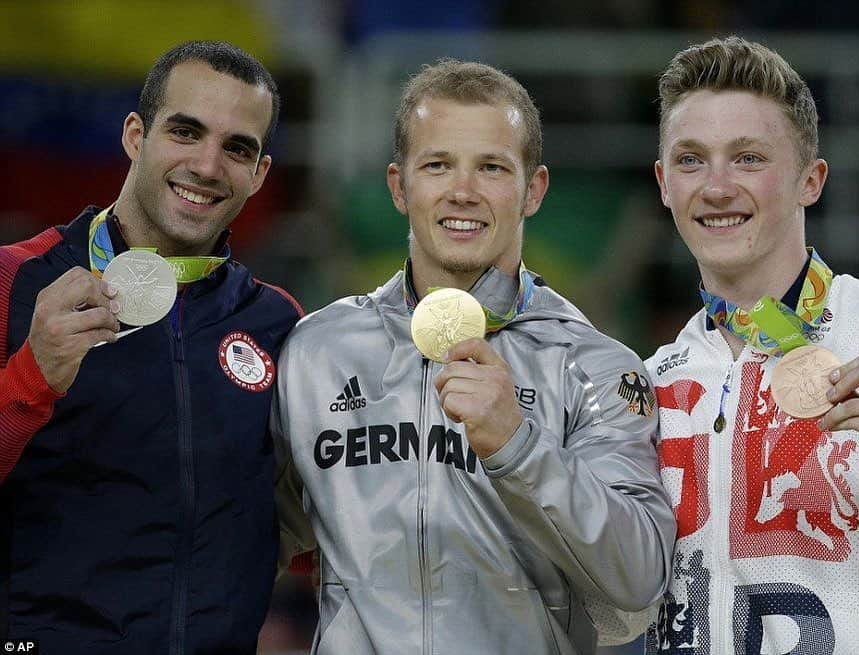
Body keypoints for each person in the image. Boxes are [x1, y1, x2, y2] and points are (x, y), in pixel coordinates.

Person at [272, 59, 676, 655]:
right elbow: (249, 538)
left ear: (532, 189)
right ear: (398, 185)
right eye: (438, 165)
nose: (463, 191)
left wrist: (518, 445)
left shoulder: (593, 364)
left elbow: (639, 580)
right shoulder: (317, 351)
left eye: (491, 167)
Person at [645, 36, 859, 654]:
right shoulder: (653, 379)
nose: (715, 186)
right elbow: (612, 613)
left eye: (748, 158)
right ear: (662, 183)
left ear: (809, 181)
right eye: (690, 160)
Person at [0, 41, 302, 654]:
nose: (208, 166)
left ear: (259, 174)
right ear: (136, 135)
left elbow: (298, 520)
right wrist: (30, 381)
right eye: (185, 132)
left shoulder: (276, 322)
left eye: (236, 148)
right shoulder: (13, 282)